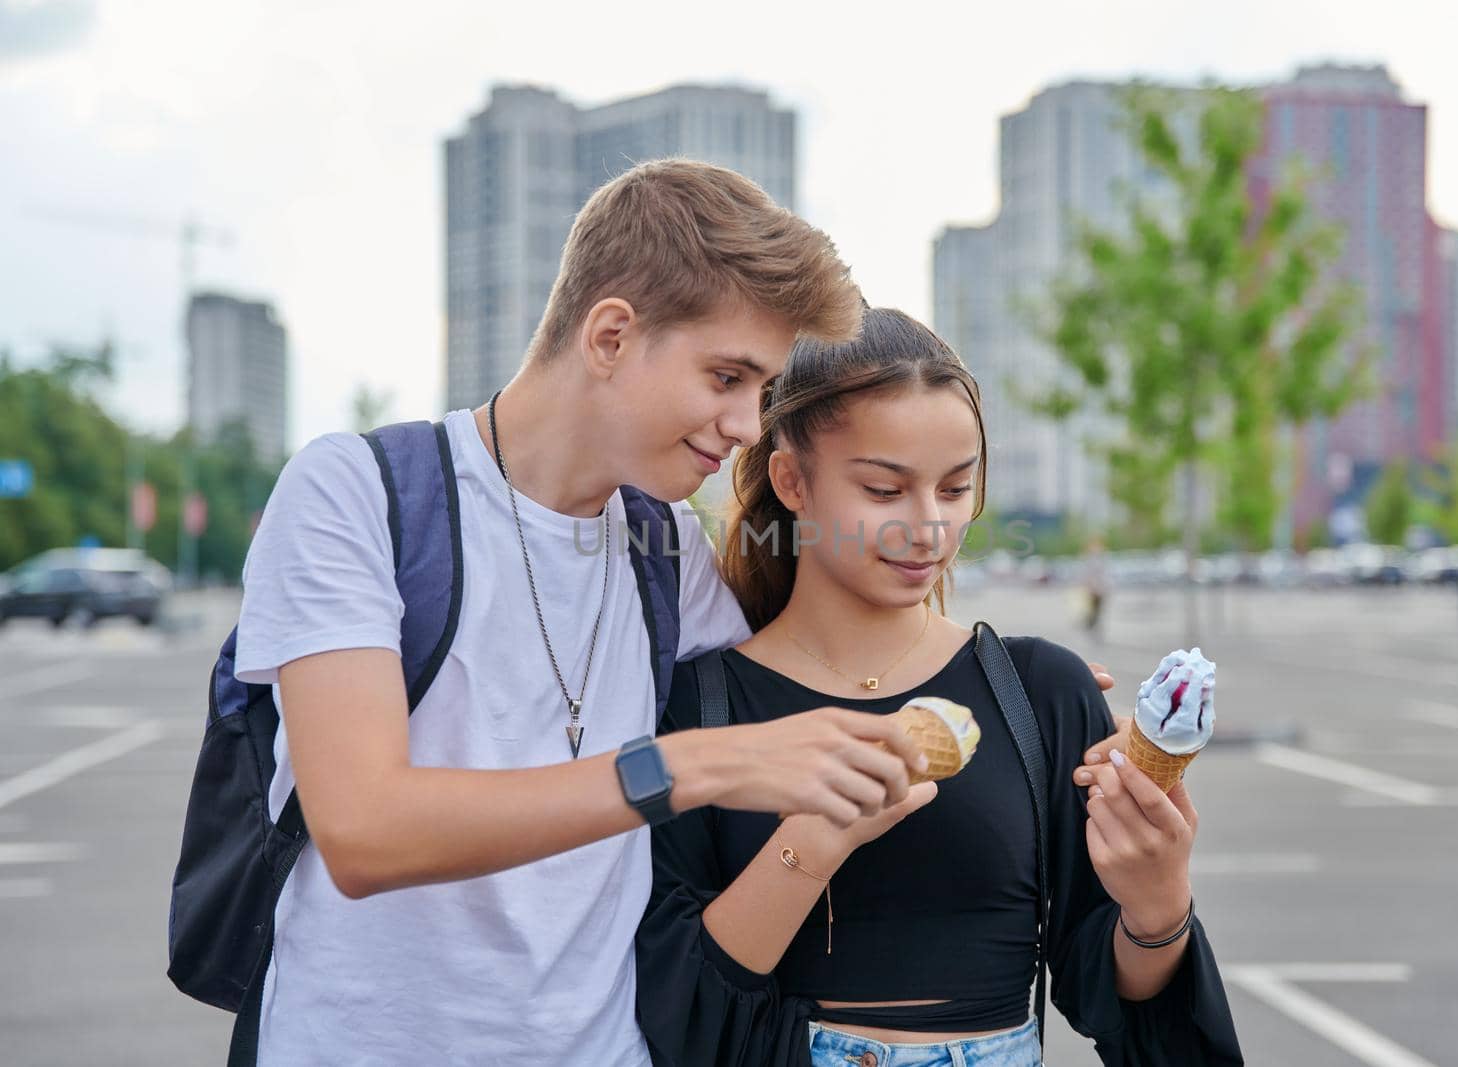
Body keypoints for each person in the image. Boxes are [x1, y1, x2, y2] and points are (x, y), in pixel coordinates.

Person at [230, 161, 942, 1066]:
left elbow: (797, 692)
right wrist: (684, 765)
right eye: (726, 376)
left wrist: (1027, 700)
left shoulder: (667, 546)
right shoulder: (357, 492)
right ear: (610, 334)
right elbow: (365, 830)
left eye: (761, 392)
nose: (747, 428)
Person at [636, 308, 1242, 1066]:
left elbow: (1110, 997)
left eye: (955, 489)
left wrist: (1158, 904)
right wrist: (817, 836)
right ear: (792, 480)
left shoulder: (1040, 690)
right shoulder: (699, 710)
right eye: (885, 491)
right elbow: (685, 1012)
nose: (929, 527)